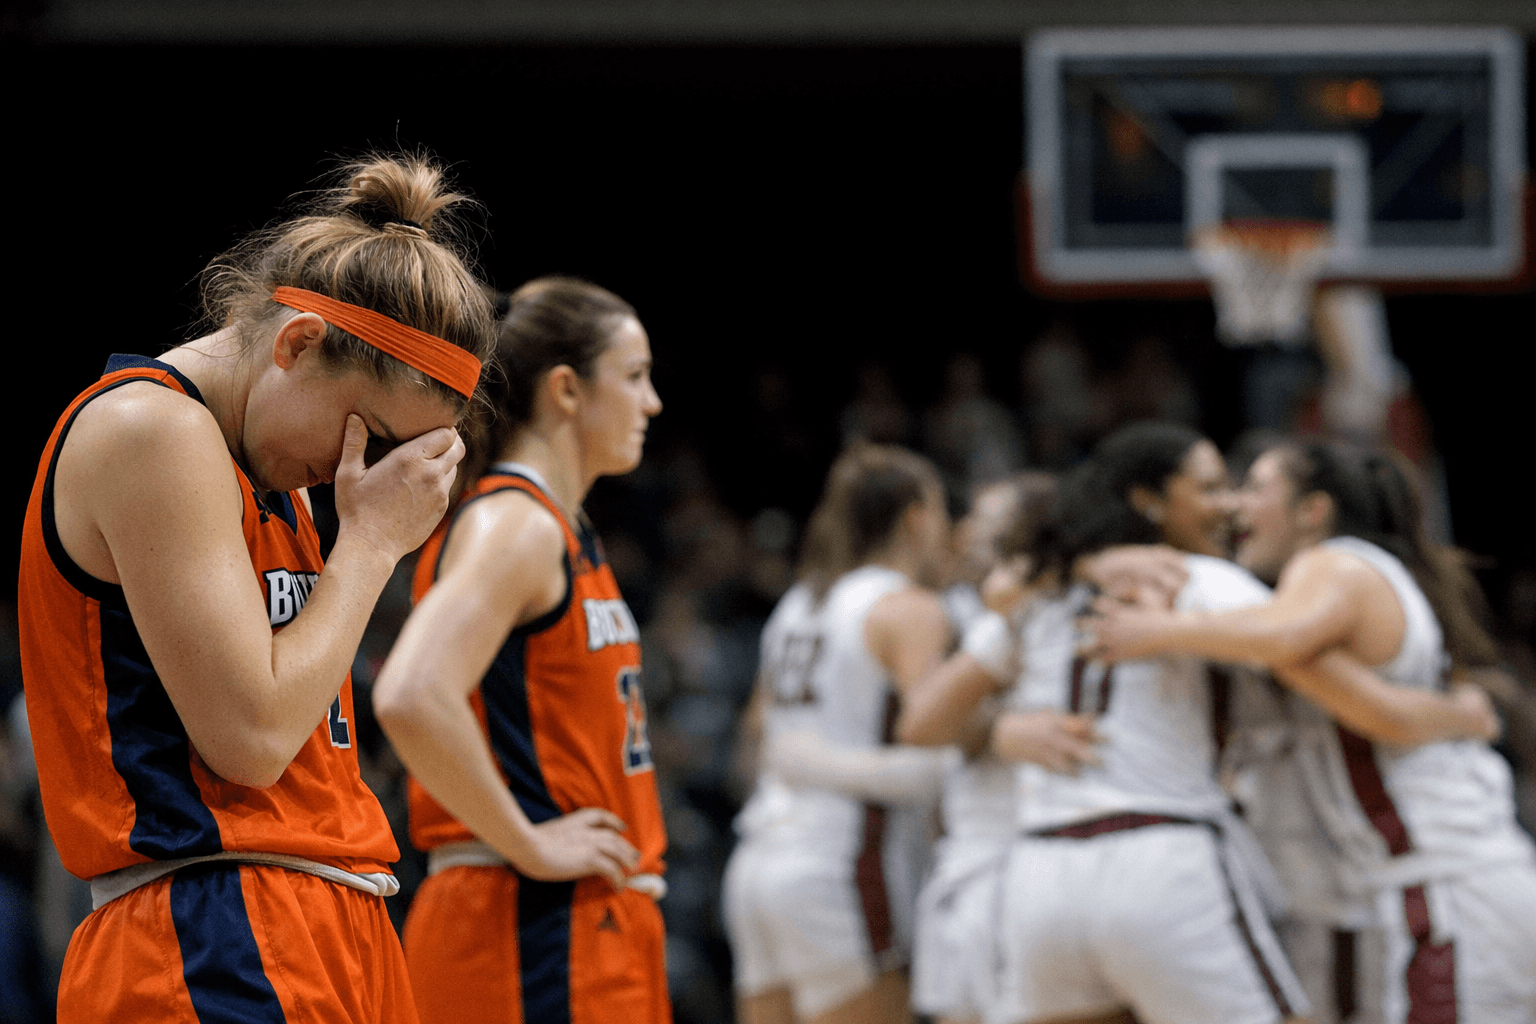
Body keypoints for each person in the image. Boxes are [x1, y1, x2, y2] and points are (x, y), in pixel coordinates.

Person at [17, 153, 493, 1021]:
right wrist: (372, 548)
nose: (369, 473)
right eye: (373, 435)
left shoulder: (281, 478)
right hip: (210, 928)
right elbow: (251, 736)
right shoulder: (149, 429)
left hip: (332, 915)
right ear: (298, 342)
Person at [976, 423, 1492, 1024]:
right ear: (1150, 502)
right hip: (1166, 857)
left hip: (1038, 873)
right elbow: (1343, 688)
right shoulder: (1203, 581)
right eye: (1213, 487)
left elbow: (944, 688)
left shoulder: (1045, 591)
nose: (1229, 505)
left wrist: (996, 731)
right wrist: (1459, 713)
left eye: (1238, 488)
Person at [371, 277, 669, 1024]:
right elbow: (411, 693)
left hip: (575, 921)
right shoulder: (519, 525)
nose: (652, 401)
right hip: (526, 921)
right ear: (567, 389)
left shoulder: (559, 528)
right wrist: (531, 844)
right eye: (635, 377)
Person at [722, 444, 956, 1024]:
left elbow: (757, 742)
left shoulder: (796, 605)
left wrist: (807, 764)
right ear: (918, 519)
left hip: (756, 863)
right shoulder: (909, 608)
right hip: (841, 867)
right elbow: (938, 749)